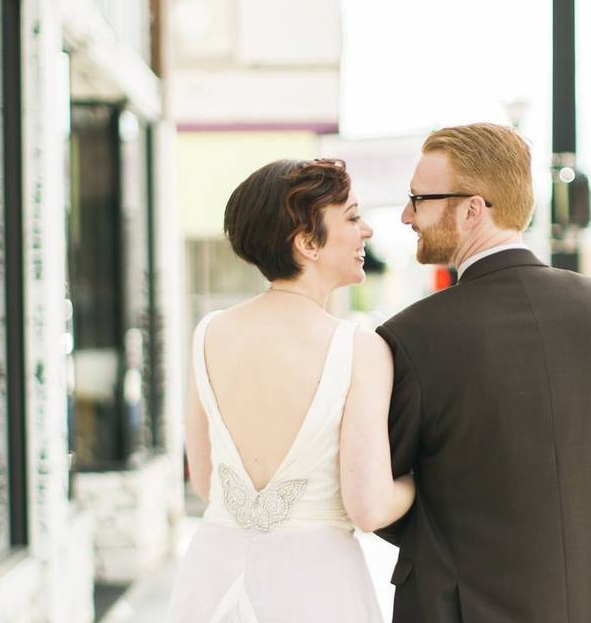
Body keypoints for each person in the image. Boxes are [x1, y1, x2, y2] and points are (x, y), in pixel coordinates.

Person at [375, 123, 591, 623]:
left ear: (473, 208)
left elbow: (387, 487)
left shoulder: (413, 335)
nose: (406, 215)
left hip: (464, 601)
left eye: (419, 198)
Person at [166, 158, 414, 622]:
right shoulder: (359, 348)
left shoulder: (209, 333)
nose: (367, 232)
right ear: (306, 242)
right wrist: (423, 485)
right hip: (315, 587)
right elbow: (369, 505)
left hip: (212, 581)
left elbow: (206, 483)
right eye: (353, 217)